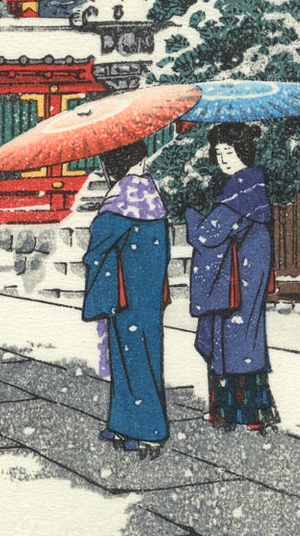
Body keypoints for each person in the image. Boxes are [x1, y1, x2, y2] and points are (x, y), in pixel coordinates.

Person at [185, 122, 280, 435]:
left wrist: (190, 214)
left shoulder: (241, 188)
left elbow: (209, 234)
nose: (224, 158)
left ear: (245, 152)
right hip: (249, 273)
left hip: (237, 278)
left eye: (230, 151)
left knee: (232, 342)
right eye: (220, 152)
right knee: (246, 339)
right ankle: (255, 411)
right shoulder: (255, 187)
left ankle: (234, 411)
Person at [80, 139, 171, 460]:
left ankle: (147, 430)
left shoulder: (122, 197)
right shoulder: (151, 194)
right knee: (145, 355)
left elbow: (98, 240)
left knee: (129, 357)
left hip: (127, 291)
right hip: (147, 288)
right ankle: (126, 423)